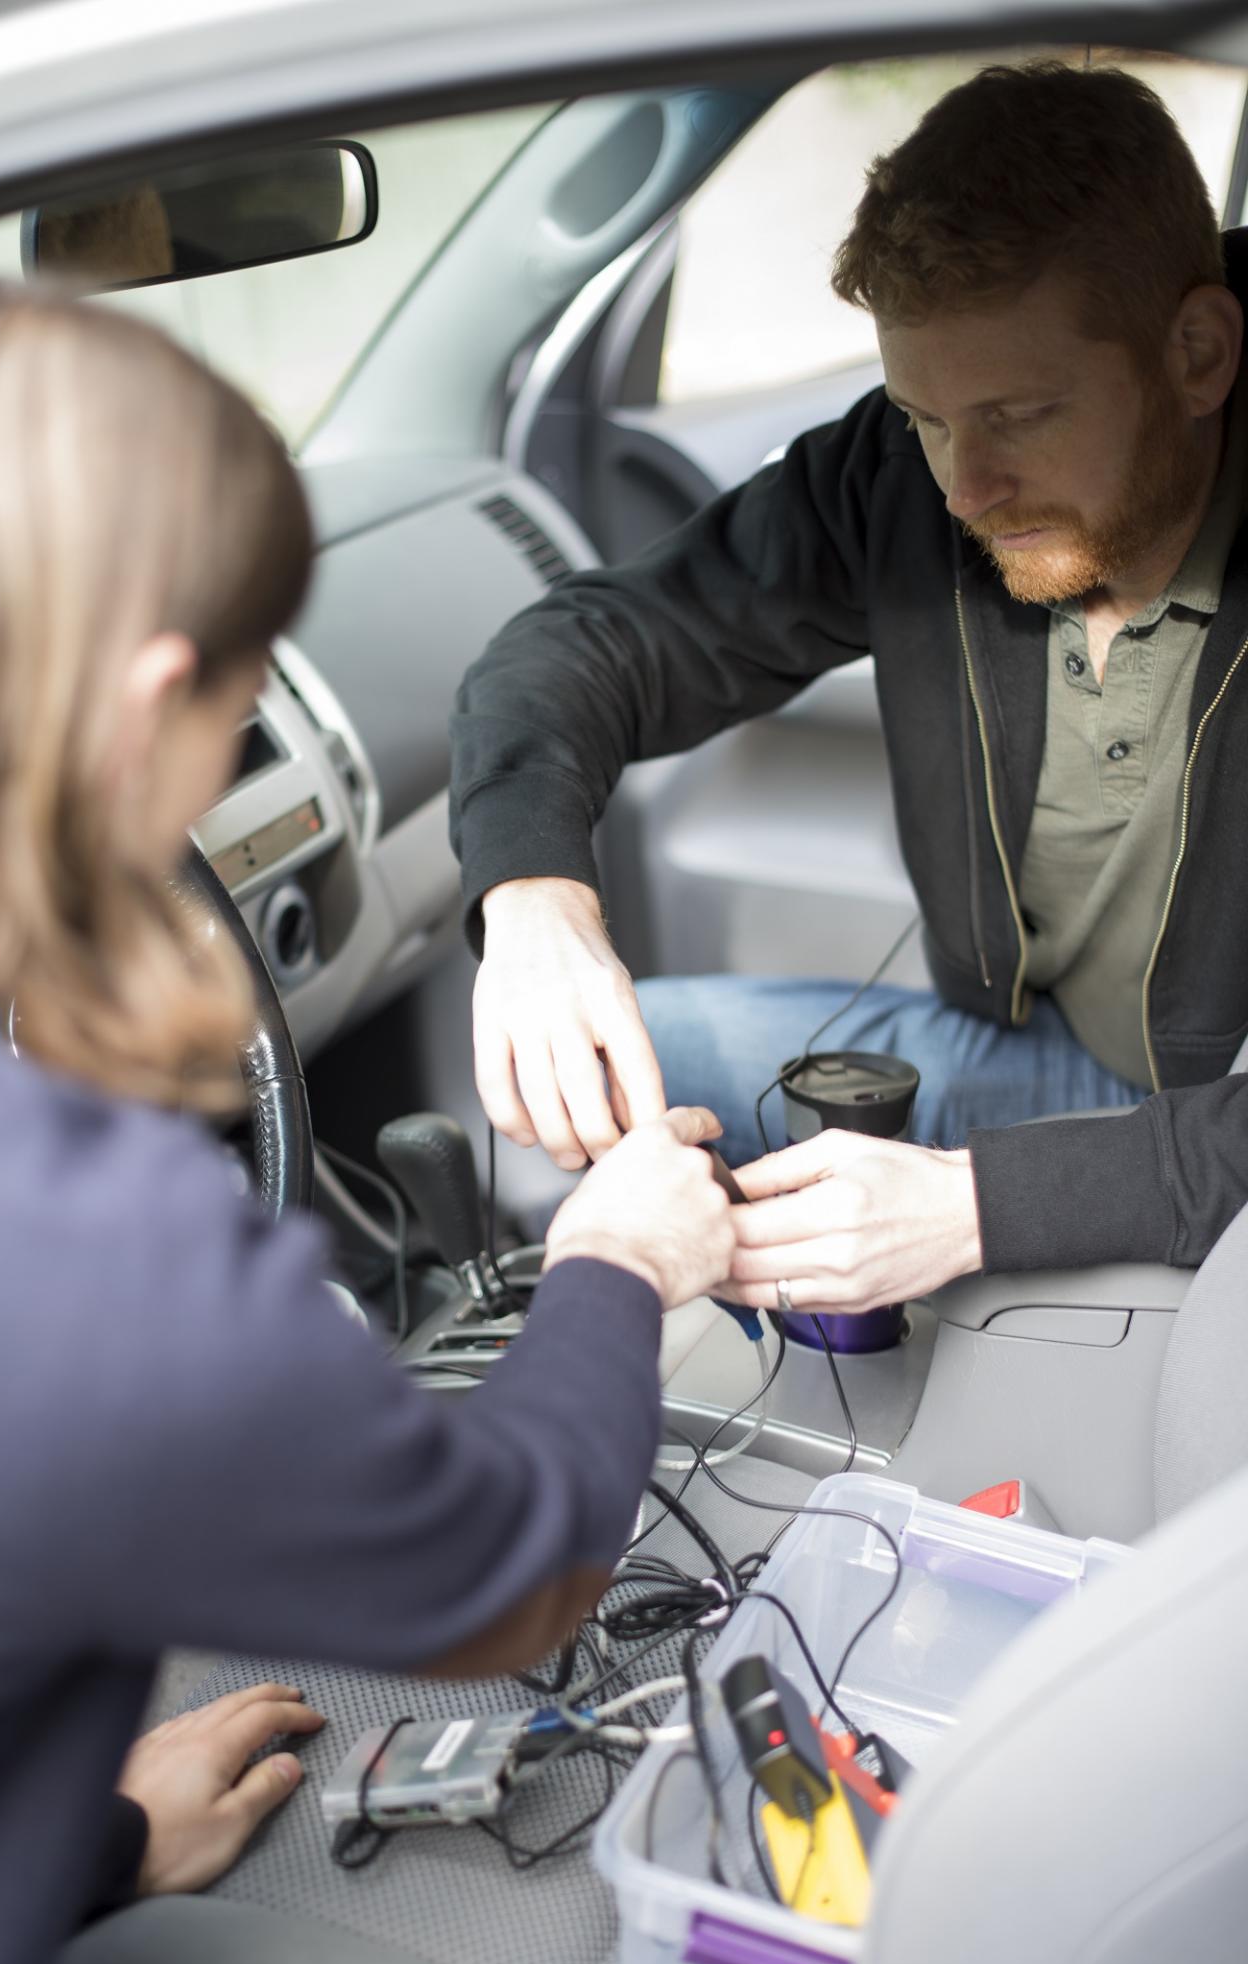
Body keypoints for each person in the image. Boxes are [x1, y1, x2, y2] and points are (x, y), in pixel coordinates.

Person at [0, 280, 736, 1964]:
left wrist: (81, 1836)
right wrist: (619, 1259)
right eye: (237, 721)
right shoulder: (74, 1248)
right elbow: (516, 1571)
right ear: (145, 705)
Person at [451, 60, 1248, 1317]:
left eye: (1019, 413)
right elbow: (587, 645)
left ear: (1197, 355)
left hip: (1224, 1128)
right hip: (1050, 1061)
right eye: (924, 415)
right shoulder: (901, 483)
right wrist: (533, 898)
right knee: (605, 1074)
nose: (964, 488)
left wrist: (980, 1206)